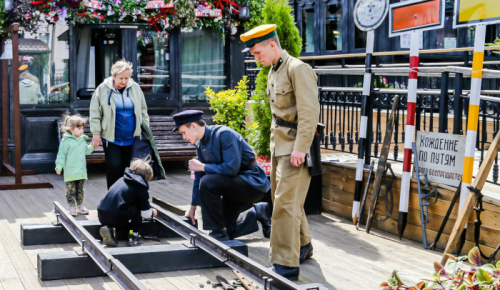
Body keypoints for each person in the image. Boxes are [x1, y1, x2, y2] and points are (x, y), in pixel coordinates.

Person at [241, 24, 320, 281]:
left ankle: (285, 264)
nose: (256, 57)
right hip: (280, 146)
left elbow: (309, 113)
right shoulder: (274, 71)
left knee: (284, 206)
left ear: (272, 45)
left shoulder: (298, 69)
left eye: (257, 52)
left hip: (295, 148)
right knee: (287, 201)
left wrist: (300, 149)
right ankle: (304, 245)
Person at [173, 110, 272, 241]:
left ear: (193, 126)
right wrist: (192, 208)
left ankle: (217, 232)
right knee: (229, 231)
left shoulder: (224, 134)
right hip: (231, 187)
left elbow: (231, 169)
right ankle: (257, 212)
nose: (184, 137)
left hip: (252, 183)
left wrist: (202, 166)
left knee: (208, 182)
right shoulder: (200, 144)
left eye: (183, 133)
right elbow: (198, 178)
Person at [89, 59, 150, 189]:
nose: (124, 81)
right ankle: (113, 196)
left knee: (129, 169)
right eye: (121, 78)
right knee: (114, 166)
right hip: (111, 138)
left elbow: (143, 111)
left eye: (127, 78)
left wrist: (145, 130)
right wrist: (96, 133)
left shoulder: (135, 88)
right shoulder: (102, 89)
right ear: (114, 76)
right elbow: (95, 113)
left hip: (132, 137)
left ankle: (127, 197)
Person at [97, 158, 158, 247]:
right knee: (137, 206)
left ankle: (108, 228)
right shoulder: (140, 187)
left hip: (102, 214)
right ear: (146, 177)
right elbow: (145, 213)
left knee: (124, 205)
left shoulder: (122, 179)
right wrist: (153, 212)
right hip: (117, 217)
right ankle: (133, 237)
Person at [55, 115, 95, 216]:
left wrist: (92, 146)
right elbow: (61, 155)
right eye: (79, 128)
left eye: (82, 128)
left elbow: (86, 150)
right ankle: (71, 206)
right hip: (71, 172)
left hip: (81, 172)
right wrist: (58, 166)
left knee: (80, 190)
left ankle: (80, 205)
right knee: (70, 191)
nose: (82, 130)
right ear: (72, 129)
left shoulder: (82, 140)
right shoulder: (66, 141)